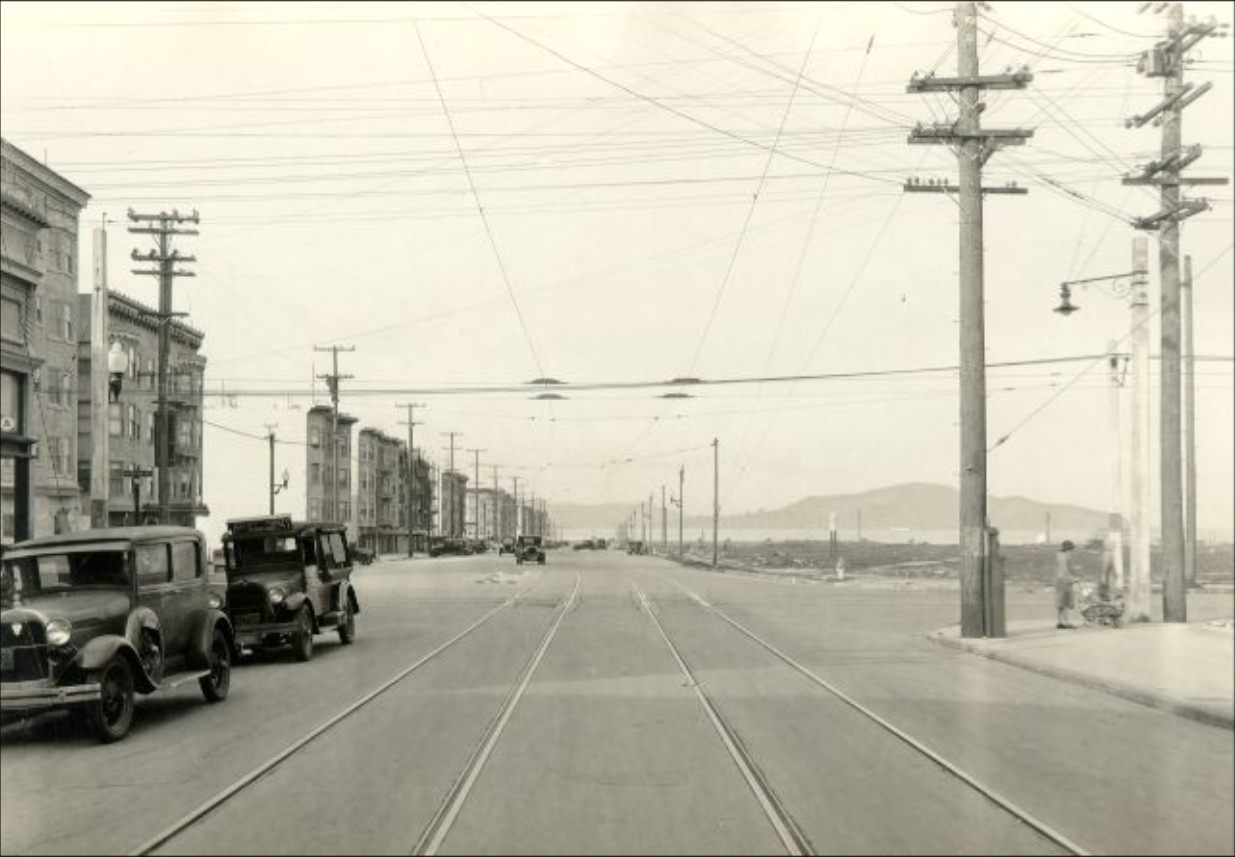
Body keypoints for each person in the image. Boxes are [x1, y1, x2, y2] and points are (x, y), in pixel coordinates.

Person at [1055, 540, 1078, 629]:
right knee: (1067, 602)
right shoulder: (1067, 557)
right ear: (1068, 549)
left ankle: (1059, 621)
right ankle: (1066, 622)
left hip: (1058, 580)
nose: (1071, 551)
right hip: (1065, 581)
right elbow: (1068, 569)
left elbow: (1059, 569)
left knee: (1060, 602)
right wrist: (1073, 578)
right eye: (1071, 549)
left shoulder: (1058, 556)